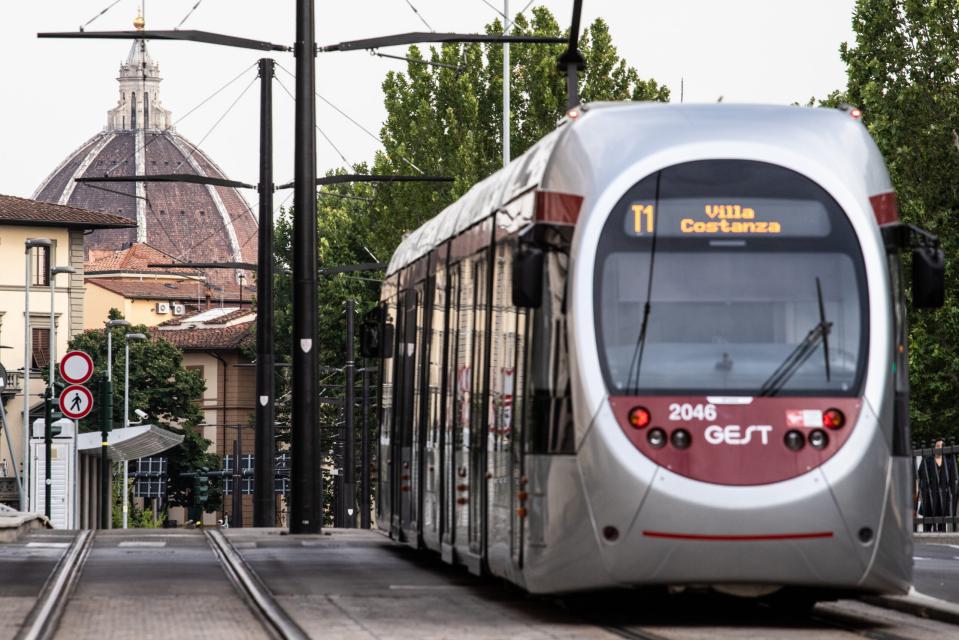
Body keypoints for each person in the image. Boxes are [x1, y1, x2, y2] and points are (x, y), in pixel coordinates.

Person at [918, 440, 958, 532]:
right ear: (934, 447)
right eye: (937, 445)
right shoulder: (927, 461)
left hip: (944, 496)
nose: (939, 448)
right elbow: (920, 475)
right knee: (927, 525)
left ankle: (941, 542)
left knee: (942, 525)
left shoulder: (949, 463)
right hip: (929, 495)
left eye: (941, 446)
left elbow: (953, 479)